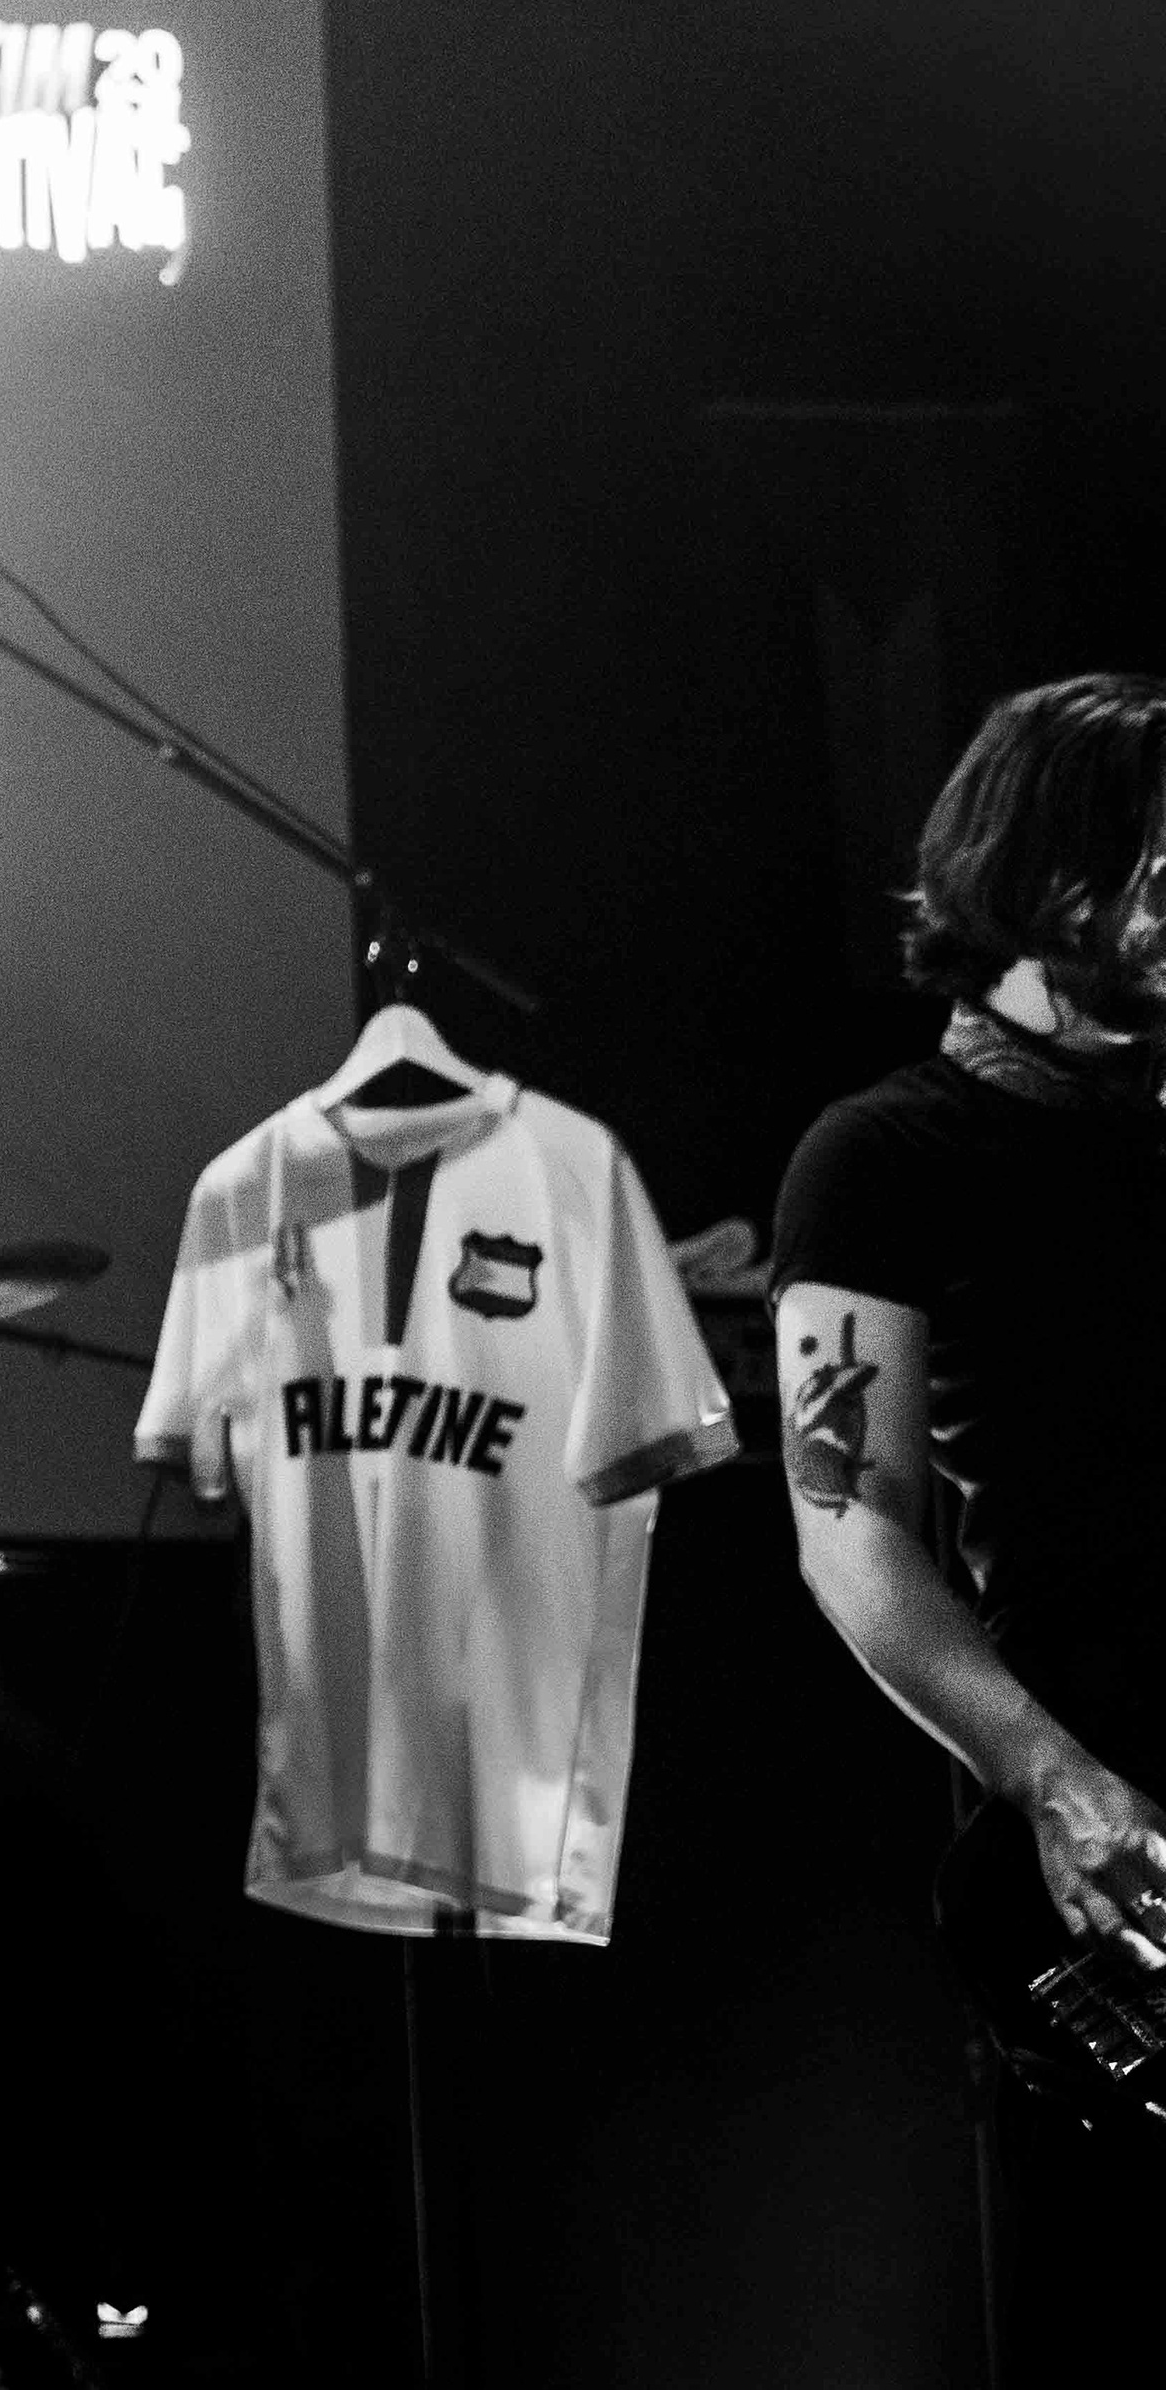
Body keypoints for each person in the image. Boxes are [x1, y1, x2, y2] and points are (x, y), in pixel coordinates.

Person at [768, 669, 1166, 2376]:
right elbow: (847, 1522)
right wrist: (1052, 1778)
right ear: (1049, 878)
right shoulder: (883, 1158)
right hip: (1117, 1814)